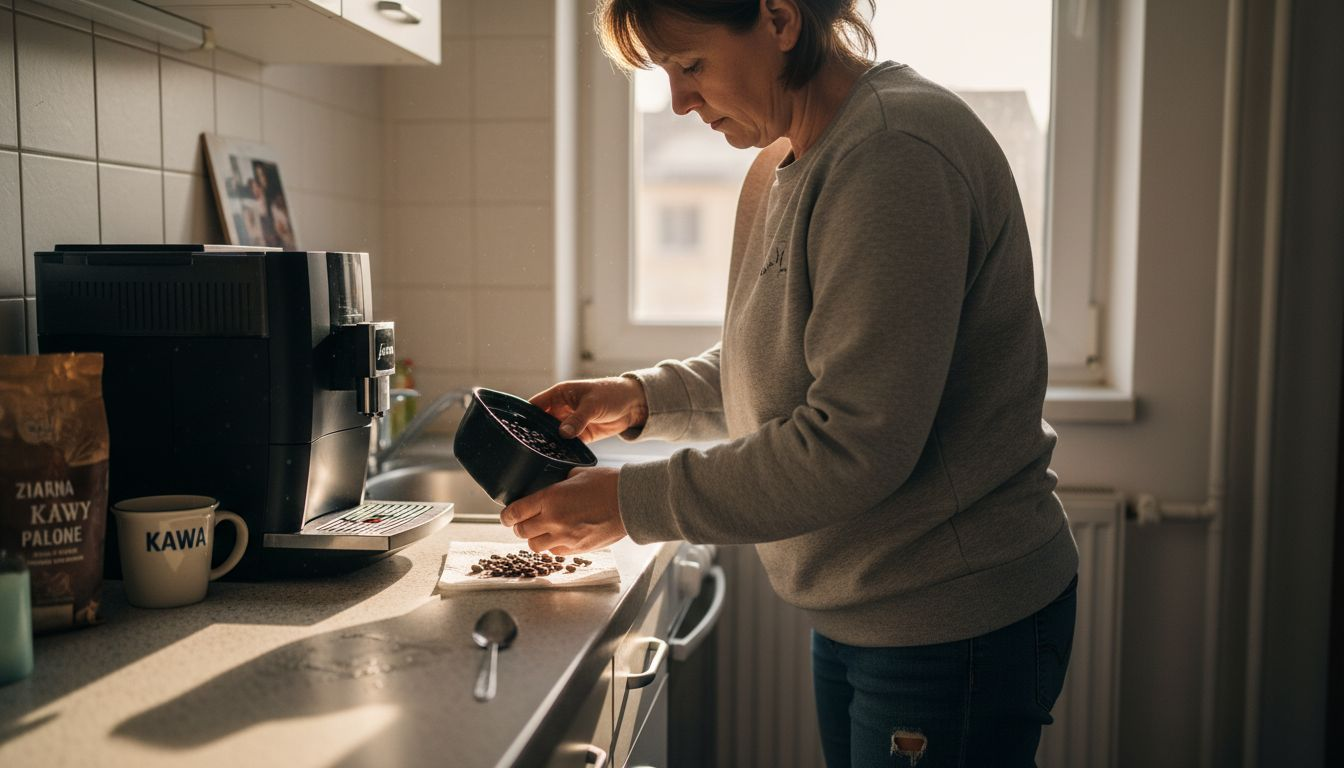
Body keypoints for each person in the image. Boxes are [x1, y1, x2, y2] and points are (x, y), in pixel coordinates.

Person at [500, 1, 1079, 764]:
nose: (677, 101)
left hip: (947, 618)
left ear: (779, 18)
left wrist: (628, 502)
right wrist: (643, 399)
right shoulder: (782, 162)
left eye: (691, 65)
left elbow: (852, 445)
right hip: (868, 606)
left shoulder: (892, 152)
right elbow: (780, 362)